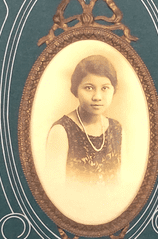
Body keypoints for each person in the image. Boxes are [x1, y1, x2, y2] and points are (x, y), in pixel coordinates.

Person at [46, 55, 122, 185]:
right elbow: (54, 188)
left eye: (105, 88)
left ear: (113, 90)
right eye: (89, 88)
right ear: (76, 89)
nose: (97, 97)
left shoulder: (117, 129)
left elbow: (121, 184)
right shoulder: (61, 131)